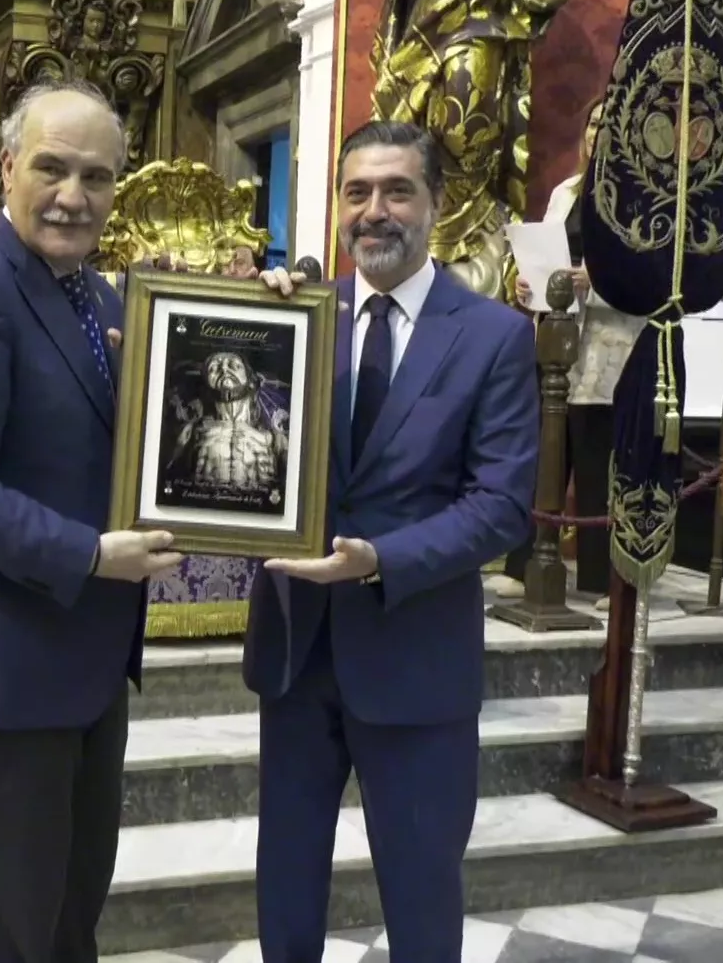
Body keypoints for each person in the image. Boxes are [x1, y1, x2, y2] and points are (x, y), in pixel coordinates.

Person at [0, 79, 183, 963]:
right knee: (9, 934)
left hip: (84, 664)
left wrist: (270, 320)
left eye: (97, 177)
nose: (72, 196)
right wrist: (89, 554)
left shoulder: (99, 298)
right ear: (7, 166)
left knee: (67, 921)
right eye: (52, 168)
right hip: (6, 665)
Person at [248, 119, 539, 962]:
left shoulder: (491, 336)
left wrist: (382, 561)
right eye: (357, 192)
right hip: (298, 652)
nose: (374, 211)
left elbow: (500, 507)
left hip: (415, 655)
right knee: (286, 887)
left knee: (420, 895)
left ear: (436, 203)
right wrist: (224, 331)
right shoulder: (294, 318)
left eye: (397, 191)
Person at [493, 100, 633, 609]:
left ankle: (599, 578)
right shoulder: (565, 192)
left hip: (606, 346)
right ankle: (525, 563)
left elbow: (649, 279)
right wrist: (528, 285)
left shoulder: (638, 200)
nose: (597, 131)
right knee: (544, 454)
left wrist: (595, 280)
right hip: (555, 337)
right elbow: (548, 256)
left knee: (594, 461)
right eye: (593, 122)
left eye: (609, 123)